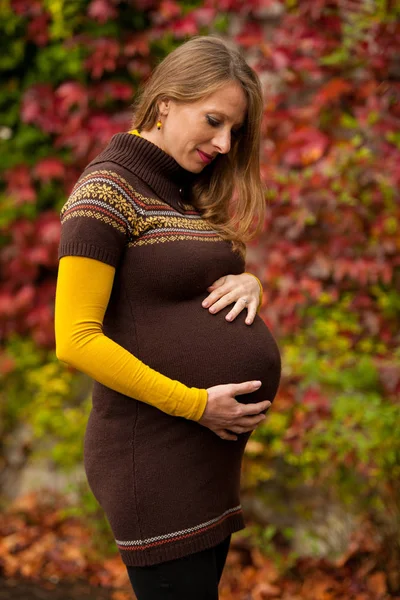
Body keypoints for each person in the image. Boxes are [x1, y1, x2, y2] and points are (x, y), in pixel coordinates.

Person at [54, 34, 281, 599]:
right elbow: (75, 340)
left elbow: (181, 291)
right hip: (153, 449)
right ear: (165, 103)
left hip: (204, 454)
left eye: (234, 131)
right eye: (213, 121)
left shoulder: (180, 193)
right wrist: (196, 404)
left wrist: (250, 282)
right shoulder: (105, 191)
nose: (225, 143)